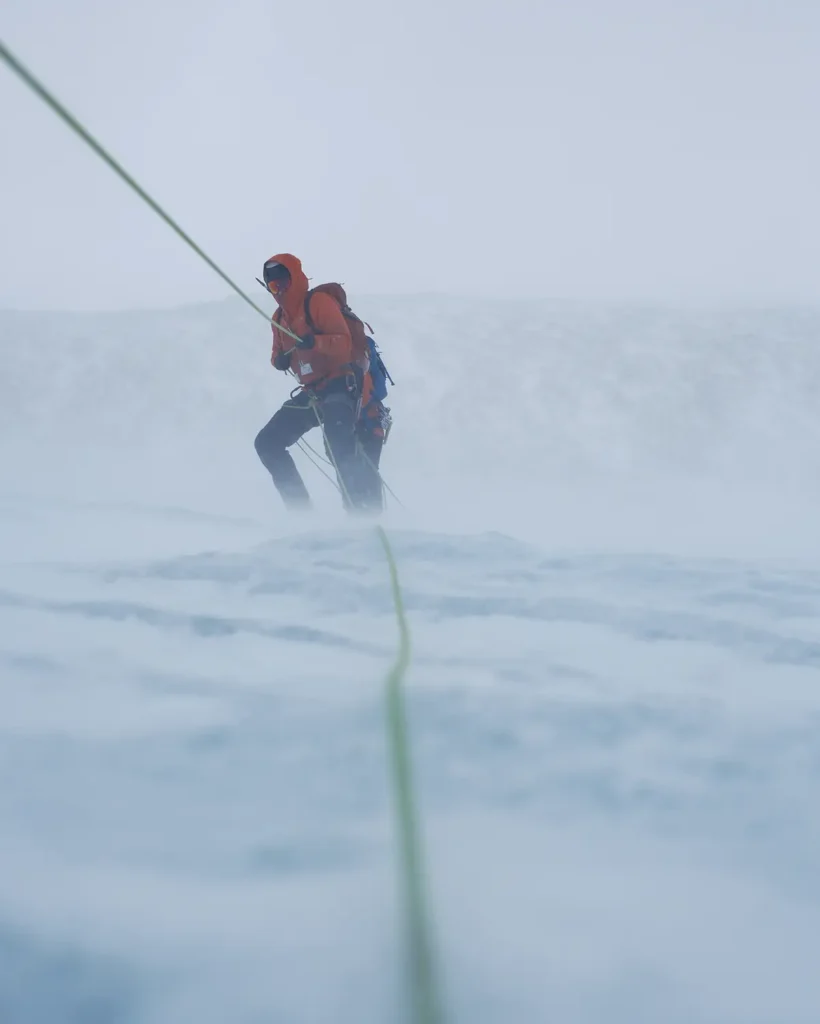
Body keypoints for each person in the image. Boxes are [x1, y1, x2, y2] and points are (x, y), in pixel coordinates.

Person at [253, 253, 379, 511]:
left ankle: (363, 514)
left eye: (283, 283)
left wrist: (316, 343)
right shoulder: (279, 318)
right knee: (267, 442)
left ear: (295, 279)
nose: (279, 290)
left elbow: (343, 344)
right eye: (273, 286)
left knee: (338, 444)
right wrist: (279, 361)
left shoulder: (318, 303)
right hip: (313, 392)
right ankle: (301, 513)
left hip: (341, 383)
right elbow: (276, 353)